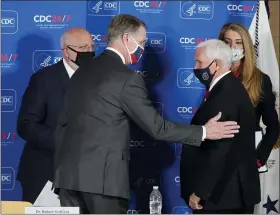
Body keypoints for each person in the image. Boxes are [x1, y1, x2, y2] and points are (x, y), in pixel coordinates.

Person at [53, 15, 239, 214]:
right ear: (126, 39)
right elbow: (157, 128)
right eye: (141, 42)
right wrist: (203, 132)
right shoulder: (126, 78)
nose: (141, 48)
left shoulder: (79, 72)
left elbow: (62, 124)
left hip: (67, 179)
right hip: (102, 184)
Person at [180, 39, 260, 214]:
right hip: (223, 196)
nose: (195, 68)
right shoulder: (224, 89)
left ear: (215, 64)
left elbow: (219, 150)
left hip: (221, 198)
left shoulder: (225, 94)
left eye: (199, 62)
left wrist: (200, 192)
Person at [16, 28, 95, 203]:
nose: (89, 52)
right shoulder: (44, 79)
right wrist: (63, 142)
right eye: (83, 48)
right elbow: (27, 124)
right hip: (46, 174)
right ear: (66, 51)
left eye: (91, 47)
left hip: (87, 178)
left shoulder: (98, 79)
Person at [218, 23, 279, 171]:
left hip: (245, 161)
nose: (233, 47)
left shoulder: (261, 80)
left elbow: (273, 126)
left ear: (246, 46)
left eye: (239, 43)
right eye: (227, 42)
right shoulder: (214, 75)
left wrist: (259, 159)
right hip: (216, 157)